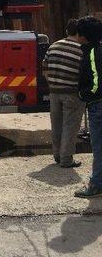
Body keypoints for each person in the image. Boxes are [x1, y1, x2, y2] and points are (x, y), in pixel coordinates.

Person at [43, 19, 85, 167]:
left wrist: (52, 84)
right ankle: (66, 159)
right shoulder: (81, 49)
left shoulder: (54, 46)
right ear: (80, 32)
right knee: (70, 126)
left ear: (67, 31)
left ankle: (57, 155)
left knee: (57, 124)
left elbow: (45, 69)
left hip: (54, 92)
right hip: (72, 93)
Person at [75, 15, 102, 198]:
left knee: (98, 147)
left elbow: (96, 82)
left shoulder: (92, 51)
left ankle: (96, 185)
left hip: (97, 105)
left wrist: (83, 95)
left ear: (84, 35)